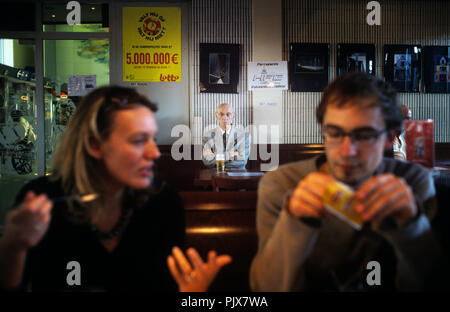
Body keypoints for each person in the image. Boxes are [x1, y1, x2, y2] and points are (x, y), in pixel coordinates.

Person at [0, 86, 231, 291]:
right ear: (94, 144)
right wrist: (13, 247)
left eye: (152, 138)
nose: (155, 153)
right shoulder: (43, 202)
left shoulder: (164, 202)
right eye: (139, 140)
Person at [250, 72, 448, 291]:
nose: (347, 152)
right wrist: (295, 223)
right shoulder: (282, 184)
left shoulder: (412, 182)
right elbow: (264, 289)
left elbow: (433, 283)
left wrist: (411, 227)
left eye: (364, 135)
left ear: (391, 138)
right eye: (334, 133)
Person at [202, 103, 250, 170]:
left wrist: (216, 155)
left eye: (228, 114)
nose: (225, 117)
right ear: (216, 116)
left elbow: (242, 161)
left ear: (233, 116)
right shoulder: (207, 136)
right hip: (215, 174)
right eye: (221, 114)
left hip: (238, 175)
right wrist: (231, 154)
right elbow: (207, 162)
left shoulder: (244, 136)